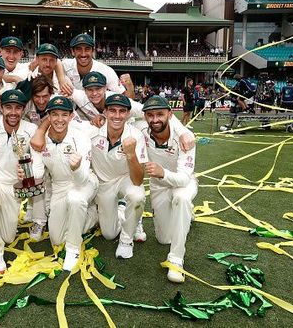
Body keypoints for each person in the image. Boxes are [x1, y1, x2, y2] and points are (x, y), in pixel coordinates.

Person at [0, 89, 42, 273]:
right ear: (1, 108)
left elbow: (35, 162)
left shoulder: (31, 129)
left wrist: (28, 174)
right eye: (8, 107)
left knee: (9, 237)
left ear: (23, 109)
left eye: (18, 108)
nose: (13, 112)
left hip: (12, 187)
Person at [29, 96, 98, 271]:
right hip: (59, 186)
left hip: (84, 182)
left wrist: (76, 168)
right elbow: (37, 174)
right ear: (48, 117)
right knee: (57, 238)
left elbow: (82, 179)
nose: (59, 119)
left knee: (75, 199)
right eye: (55, 114)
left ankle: (73, 249)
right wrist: (25, 173)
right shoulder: (40, 140)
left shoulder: (80, 138)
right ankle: (93, 216)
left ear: (71, 116)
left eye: (64, 115)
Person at [140, 96, 197, 283]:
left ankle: (176, 260)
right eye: (150, 115)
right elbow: (128, 108)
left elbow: (182, 178)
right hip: (159, 187)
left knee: (181, 198)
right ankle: (186, 215)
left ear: (170, 115)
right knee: (164, 239)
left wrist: (162, 172)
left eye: (160, 114)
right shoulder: (142, 130)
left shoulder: (186, 138)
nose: (155, 119)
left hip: (183, 183)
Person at [90, 94, 147, 259]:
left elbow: (138, 180)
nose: (117, 115)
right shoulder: (93, 131)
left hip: (126, 178)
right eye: (112, 111)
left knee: (137, 196)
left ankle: (127, 240)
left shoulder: (136, 135)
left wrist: (131, 155)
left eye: (122, 111)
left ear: (128, 114)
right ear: (105, 112)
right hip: (104, 183)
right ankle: (127, 213)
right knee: (108, 234)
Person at [62, 33, 135, 99]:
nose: (83, 54)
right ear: (72, 51)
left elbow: (128, 99)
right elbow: (57, 63)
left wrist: (130, 87)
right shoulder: (66, 64)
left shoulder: (106, 71)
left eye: (87, 49)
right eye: (79, 49)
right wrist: (60, 78)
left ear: (93, 51)